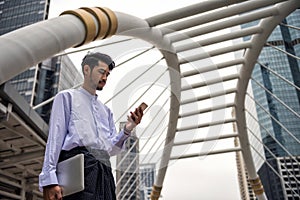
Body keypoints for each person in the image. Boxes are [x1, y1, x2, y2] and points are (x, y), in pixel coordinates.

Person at [39, 52, 144, 200]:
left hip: (104, 173)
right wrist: (49, 180)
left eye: (107, 74)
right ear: (87, 70)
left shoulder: (106, 112)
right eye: (101, 72)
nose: (105, 78)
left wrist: (128, 128)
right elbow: (54, 140)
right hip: (79, 169)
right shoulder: (66, 98)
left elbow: (111, 149)